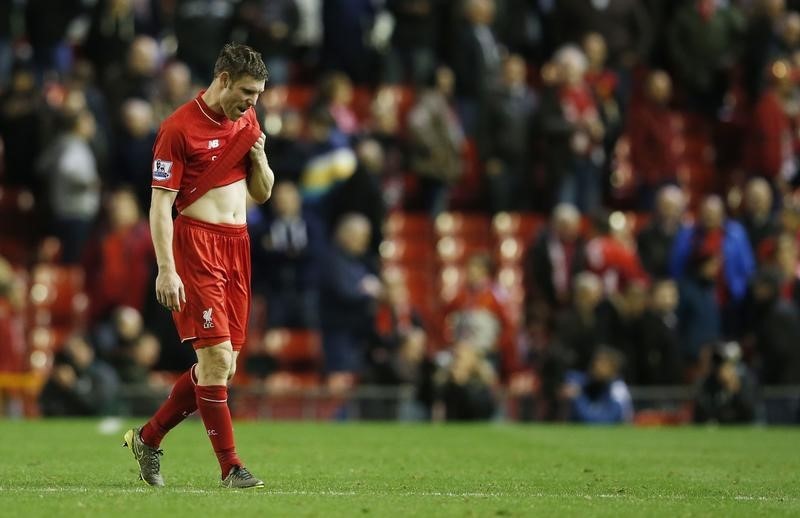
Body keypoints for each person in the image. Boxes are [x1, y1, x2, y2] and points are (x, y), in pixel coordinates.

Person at [123, 43, 274, 489]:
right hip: (198, 248)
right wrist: (166, 269)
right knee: (216, 361)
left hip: (238, 247)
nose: (252, 102)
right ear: (223, 79)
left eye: (259, 94)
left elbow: (262, 192)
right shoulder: (177, 129)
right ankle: (231, 467)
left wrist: (262, 158)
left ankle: (148, 438)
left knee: (221, 369)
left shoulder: (246, 118)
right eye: (247, 91)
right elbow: (160, 207)